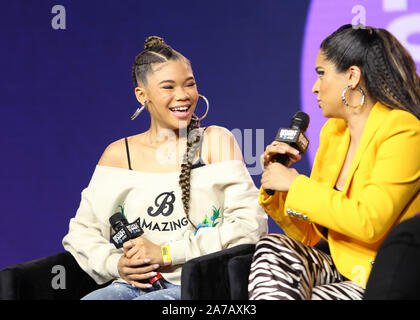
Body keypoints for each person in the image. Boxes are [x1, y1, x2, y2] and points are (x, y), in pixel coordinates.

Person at [62, 36, 267, 300]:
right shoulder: (118, 154)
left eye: (189, 84)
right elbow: (81, 232)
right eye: (168, 87)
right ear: (141, 94)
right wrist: (115, 264)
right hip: (129, 286)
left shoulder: (216, 141)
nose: (183, 96)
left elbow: (251, 226)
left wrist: (166, 253)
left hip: (196, 287)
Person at [248, 24, 420, 300]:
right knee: (273, 246)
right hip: (337, 264)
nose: (315, 87)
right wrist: (278, 187)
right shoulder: (334, 132)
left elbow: (370, 223)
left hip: (376, 273)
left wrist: (296, 184)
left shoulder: (403, 130)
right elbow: (309, 235)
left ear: (352, 76)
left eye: (321, 74)